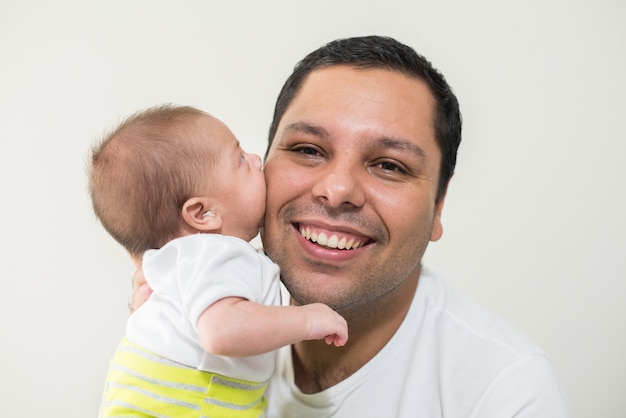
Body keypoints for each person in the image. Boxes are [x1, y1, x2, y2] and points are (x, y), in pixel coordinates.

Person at [132, 36, 571, 417]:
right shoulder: (189, 315)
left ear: (439, 205)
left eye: (389, 165)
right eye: (308, 150)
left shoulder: (507, 394)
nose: (337, 190)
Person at [89, 104, 348, 417]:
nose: (256, 160)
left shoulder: (187, 259)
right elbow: (221, 332)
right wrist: (309, 319)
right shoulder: (217, 253)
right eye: (240, 160)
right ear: (203, 214)